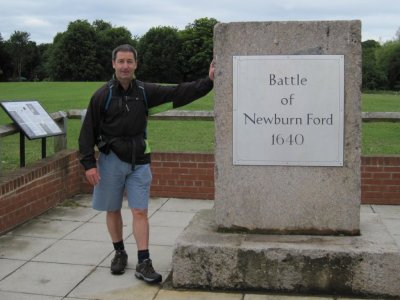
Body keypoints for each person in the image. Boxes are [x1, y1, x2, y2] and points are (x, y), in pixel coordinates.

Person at [78, 44, 214, 284]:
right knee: (112, 209)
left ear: (136, 65)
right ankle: (119, 252)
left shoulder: (144, 91)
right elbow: (87, 131)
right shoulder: (102, 95)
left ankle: (144, 261)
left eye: (129, 61)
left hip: (139, 160)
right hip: (110, 160)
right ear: (113, 64)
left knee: (140, 210)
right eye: (120, 61)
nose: (125, 66)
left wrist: (209, 81)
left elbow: (178, 92)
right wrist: (89, 164)